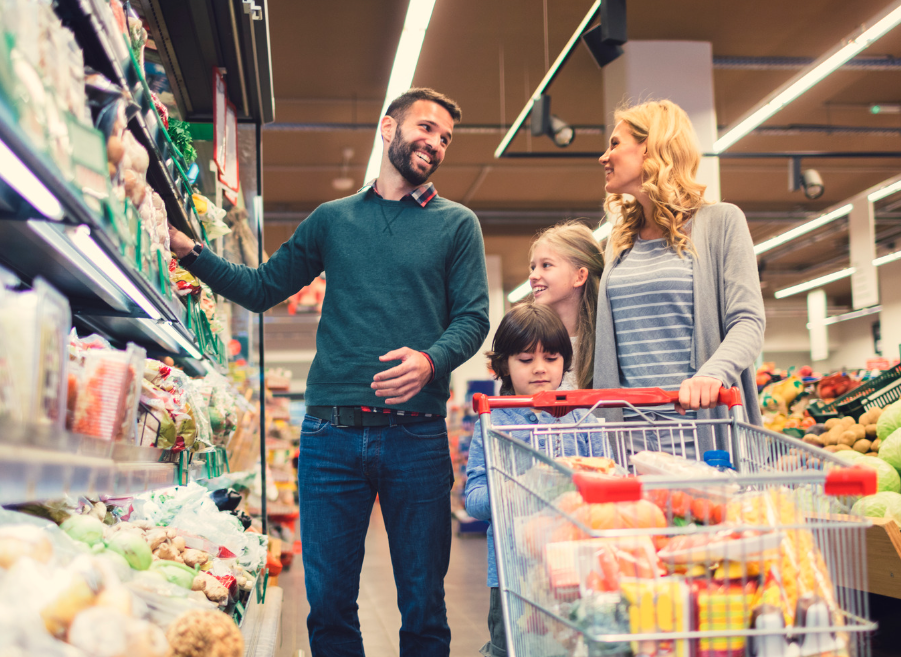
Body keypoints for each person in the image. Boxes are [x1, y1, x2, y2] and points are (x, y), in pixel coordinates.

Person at [168, 88, 490, 657]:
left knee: (423, 603)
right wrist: (190, 250)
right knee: (331, 604)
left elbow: (473, 318)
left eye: (445, 138)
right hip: (330, 438)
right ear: (388, 127)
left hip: (416, 436)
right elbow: (261, 288)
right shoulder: (333, 221)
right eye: (426, 127)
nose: (435, 143)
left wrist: (430, 360)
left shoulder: (456, 225)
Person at [594, 99, 765, 455]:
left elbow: (748, 321)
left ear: (651, 147)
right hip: (629, 440)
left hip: (701, 431)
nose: (603, 157)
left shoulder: (720, 222)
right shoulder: (619, 242)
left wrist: (712, 374)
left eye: (614, 143)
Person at [464, 303, 609, 657]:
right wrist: (512, 488)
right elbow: (474, 498)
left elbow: (607, 487)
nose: (540, 369)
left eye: (552, 358)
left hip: (581, 568)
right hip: (513, 574)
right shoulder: (493, 422)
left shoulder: (585, 419)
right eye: (526, 360)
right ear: (503, 366)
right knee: (510, 648)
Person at [527, 221, 604, 390]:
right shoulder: (529, 341)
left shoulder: (605, 343)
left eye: (546, 265)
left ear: (579, 276)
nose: (533, 275)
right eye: (533, 267)